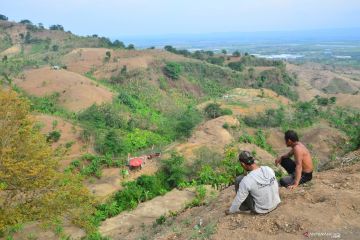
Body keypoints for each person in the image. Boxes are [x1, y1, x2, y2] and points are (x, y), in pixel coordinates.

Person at [225, 151, 281, 215]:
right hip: (276, 203)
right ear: (253, 160)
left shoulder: (247, 180)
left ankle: (244, 207)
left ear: (243, 164)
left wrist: (231, 211)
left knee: (239, 179)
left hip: (261, 210)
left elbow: (239, 199)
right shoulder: (268, 169)